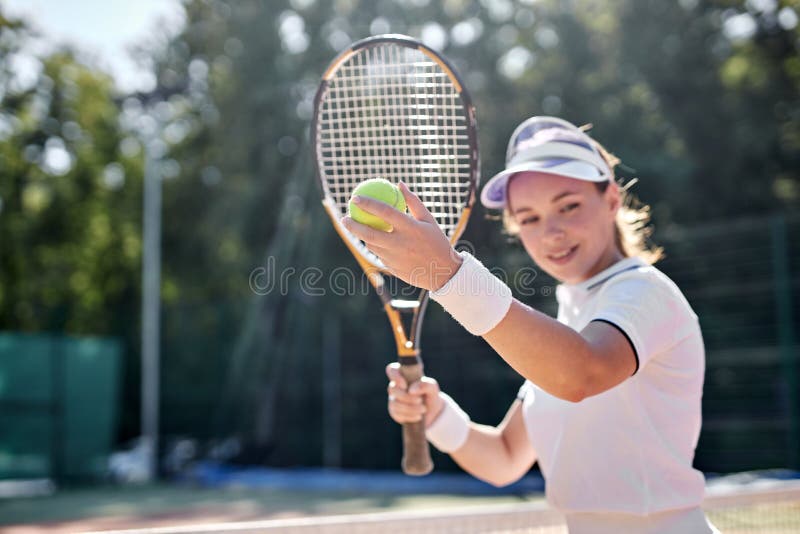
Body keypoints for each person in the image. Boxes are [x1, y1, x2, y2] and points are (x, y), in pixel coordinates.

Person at [341, 116, 718, 533]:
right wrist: (436, 415)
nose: (551, 232)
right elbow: (504, 458)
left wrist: (449, 274)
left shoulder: (645, 293)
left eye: (568, 206)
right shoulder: (572, 315)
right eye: (529, 218)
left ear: (612, 199)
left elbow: (581, 372)